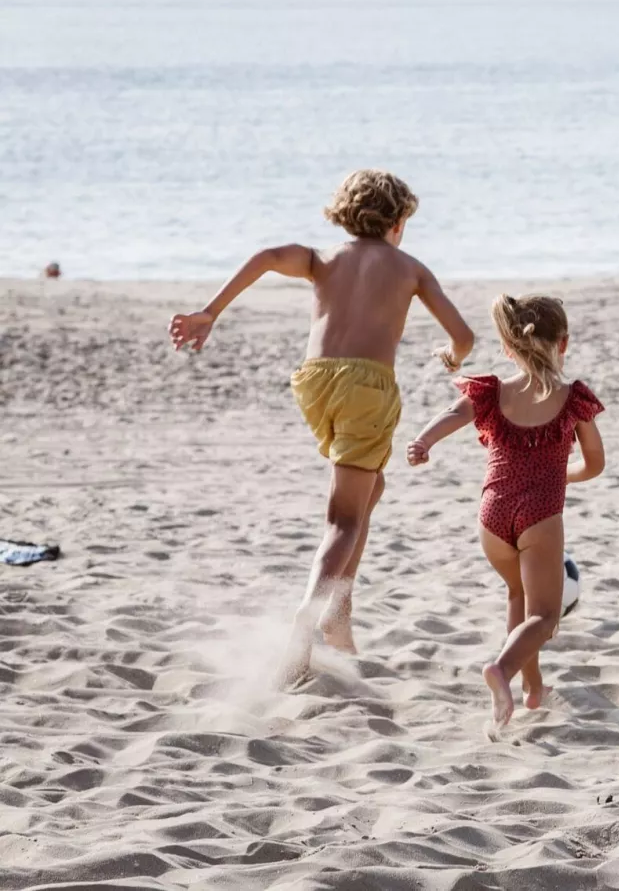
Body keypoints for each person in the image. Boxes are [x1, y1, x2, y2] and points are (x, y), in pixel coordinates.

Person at [168, 169, 475, 683]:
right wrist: (451, 355)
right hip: (367, 387)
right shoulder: (411, 268)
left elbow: (266, 257)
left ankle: (339, 609)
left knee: (370, 488)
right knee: (345, 519)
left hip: (314, 382)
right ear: (399, 222)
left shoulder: (322, 258)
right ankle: (308, 617)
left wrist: (209, 311)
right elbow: (462, 335)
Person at [406, 294, 605, 729]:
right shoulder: (574, 399)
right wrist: (558, 475)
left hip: (491, 515)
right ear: (564, 343)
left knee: (519, 597)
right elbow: (594, 463)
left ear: (507, 348)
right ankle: (500, 668)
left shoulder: (493, 391)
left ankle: (532, 690)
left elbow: (453, 412)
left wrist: (422, 442)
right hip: (539, 515)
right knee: (545, 617)